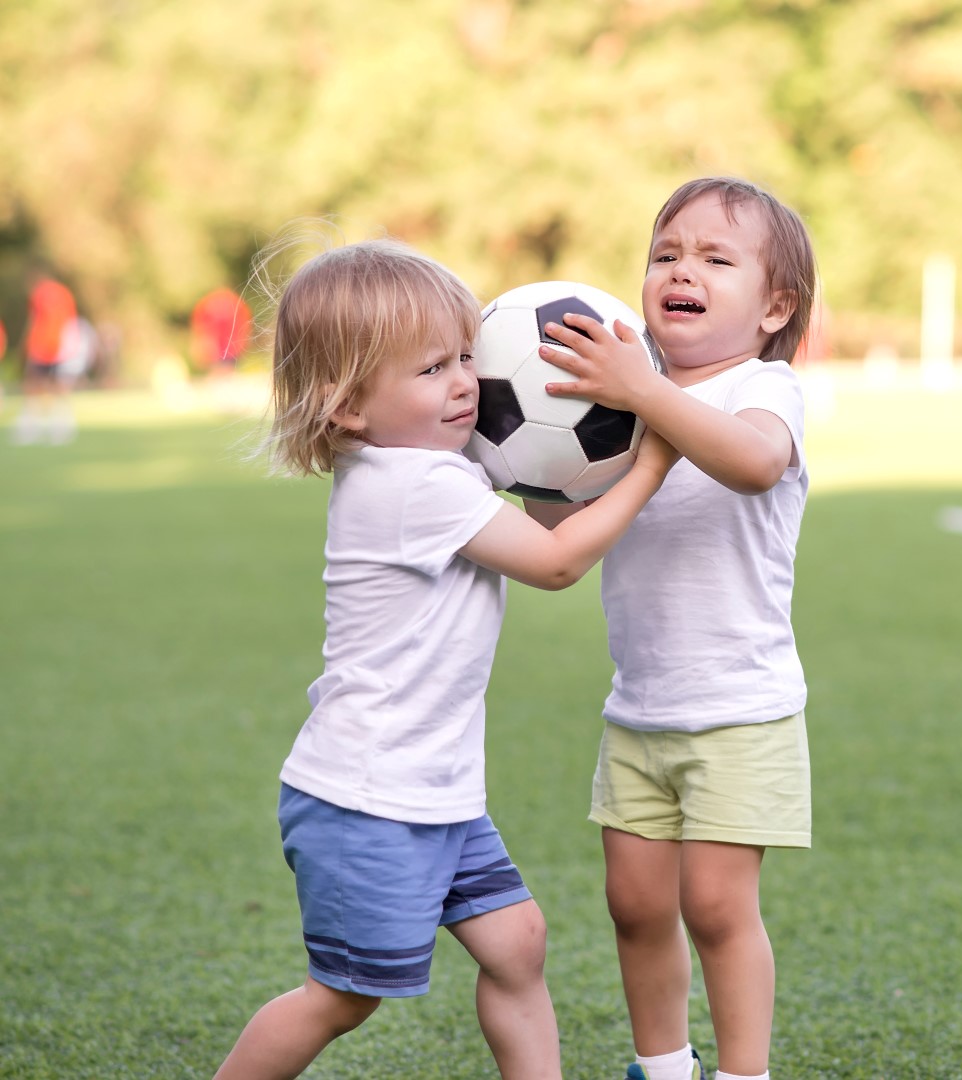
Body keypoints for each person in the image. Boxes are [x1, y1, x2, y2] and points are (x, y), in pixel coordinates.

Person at [213, 237, 679, 1080]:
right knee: (343, 997)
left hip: (431, 791)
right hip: (370, 799)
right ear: (347, 406)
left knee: (517, 945)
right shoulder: (412, 487)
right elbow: (555, 562)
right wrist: (650, 459)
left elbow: (537, 526)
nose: (466, 381)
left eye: (467, 356)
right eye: (432, 369)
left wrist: (566, 468)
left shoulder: (429, 466)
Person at [530, 177, 818, 1080]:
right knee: (635, 905)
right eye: (665, 254)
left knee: (718, 908)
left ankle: (743, 1073)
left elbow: (755, 463)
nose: (680, 269)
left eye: (714, 258)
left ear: (774, 307)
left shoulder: (763, 390)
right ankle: (663, 1067)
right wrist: (518, 450)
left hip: (742, 710)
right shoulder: (613, 414)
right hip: (640, 710)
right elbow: (551, 532)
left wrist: (644, 394)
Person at [14, 272, 78, 444]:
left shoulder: (39, 293)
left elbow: (34, 321)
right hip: (59, 347)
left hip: (42, 346)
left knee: (34, 387)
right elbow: (71, 323)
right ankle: (61, 427)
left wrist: (25, 346)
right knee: (58, 388)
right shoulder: (65, 292)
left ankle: (31, 428)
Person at [192, 286, 254, 372]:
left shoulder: (208, 305)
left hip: (224, 348)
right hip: (229, 347)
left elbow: (201, 327)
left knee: (222, 373)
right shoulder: (235, 303)